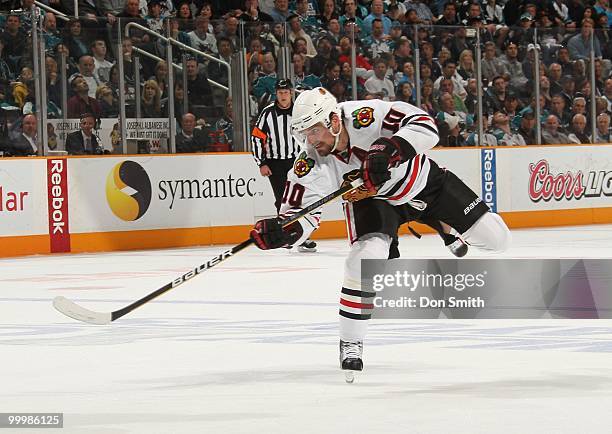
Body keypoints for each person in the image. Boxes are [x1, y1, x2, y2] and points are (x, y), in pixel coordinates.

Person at [248, 87, 511, 378]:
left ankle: (441, 222)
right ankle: (351, 341)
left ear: (334, 121)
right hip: (373, 202)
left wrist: (390, 148)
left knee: (497, 239)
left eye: (313, 131)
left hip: (424, 183)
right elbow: (299, 216)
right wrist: (284, 233)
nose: (309, 141)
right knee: (363, 261)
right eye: (302, 134)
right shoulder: (310, 160)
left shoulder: (365, 116)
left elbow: (427, 126)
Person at [250, 79, 317, 252]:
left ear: (291, 93)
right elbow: (257, 137)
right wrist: (261, 162)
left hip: (298, 161)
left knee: (301, 198)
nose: (283, 95)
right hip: (275, 163)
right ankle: (286, 236)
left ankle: (302, 237)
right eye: (280, 92)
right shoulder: (268, 113)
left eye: (286, 92)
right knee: (282, 200)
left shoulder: (299, 111)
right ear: (276, 94)